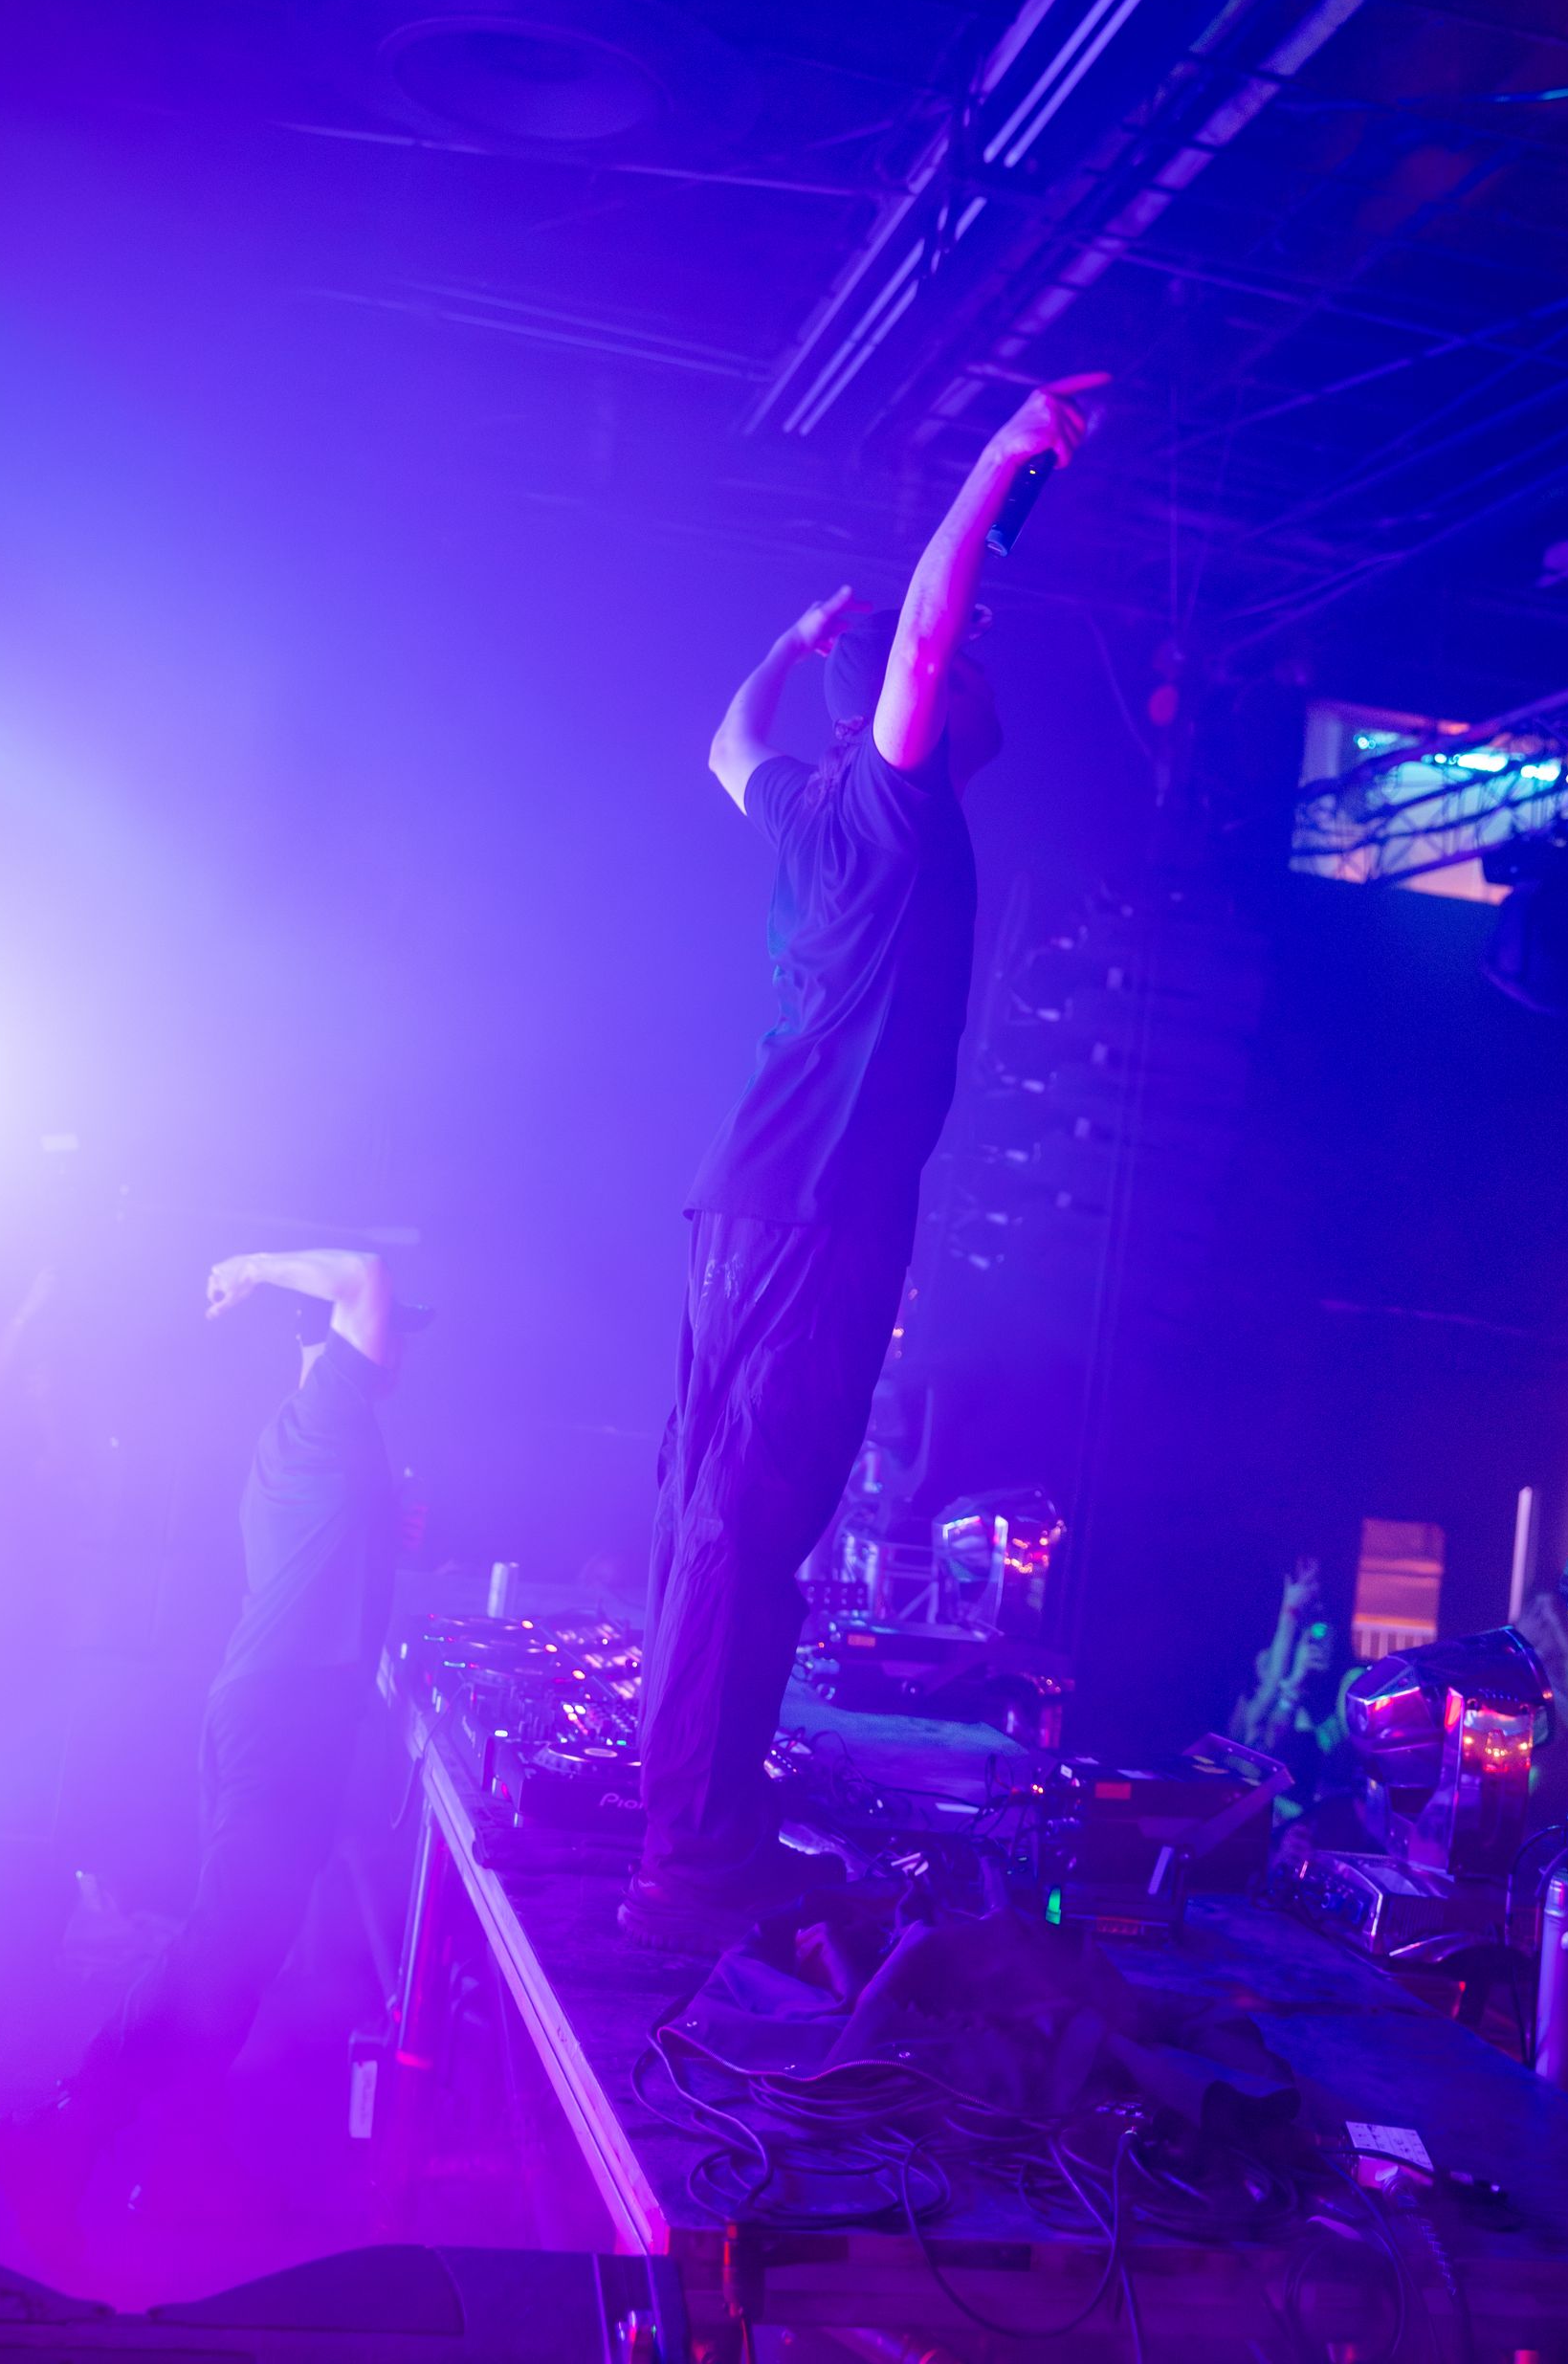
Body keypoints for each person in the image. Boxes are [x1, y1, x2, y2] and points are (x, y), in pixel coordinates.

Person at [627, 371, 1107, 1955]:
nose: (968, 684)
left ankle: (694, 1826)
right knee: (746, 1529)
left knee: (718, 1519)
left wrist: (784, 645)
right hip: (815, 1211)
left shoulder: (808, 805)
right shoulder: (891, 810)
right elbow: (920, 644)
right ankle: (693, 1855)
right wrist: (1000, 458)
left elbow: (719, 747)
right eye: (959, 676)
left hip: (750, 1202)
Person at [0, 1248, 419, 2220]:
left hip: (278, 1717)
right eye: (394, 1335)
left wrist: (384, 1528)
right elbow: (365, 1275)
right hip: (281, 1722)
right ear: (334, 1338)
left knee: (240, 1956)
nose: (400, 1350)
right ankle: (62, 2129)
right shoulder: (327, 1408)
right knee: (220, 1950)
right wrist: (254, 1267)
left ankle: (186, 2165)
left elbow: (320, 1553)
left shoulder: (316, 1436)